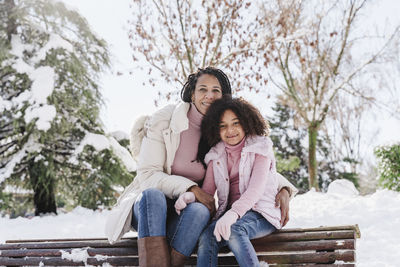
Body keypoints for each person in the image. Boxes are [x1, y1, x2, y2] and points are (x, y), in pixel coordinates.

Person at [105, 67, 297, 267]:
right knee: (153, 196)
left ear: (224, 96)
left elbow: (246, 162)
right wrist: (191, 189)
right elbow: (147, 175)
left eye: (216, 90)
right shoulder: (167, 120)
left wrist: (283, 188)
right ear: (192, 94)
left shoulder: (218, 132)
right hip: (150, 209)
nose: (209, 95)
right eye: (203, 89)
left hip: (184, 218)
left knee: (201, 211)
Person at [175, 96, 286, 266]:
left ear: (246, 123)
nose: (230, 130)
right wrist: (190, 197)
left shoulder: (260, 148)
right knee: (207, 237)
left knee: (235, 230)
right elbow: (207, 193)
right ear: (216, 129)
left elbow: (255, 190)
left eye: (236, 123)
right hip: (232, 216)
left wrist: (233, 214)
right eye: (223, 126)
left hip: (262, 213)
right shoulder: (216, 155)